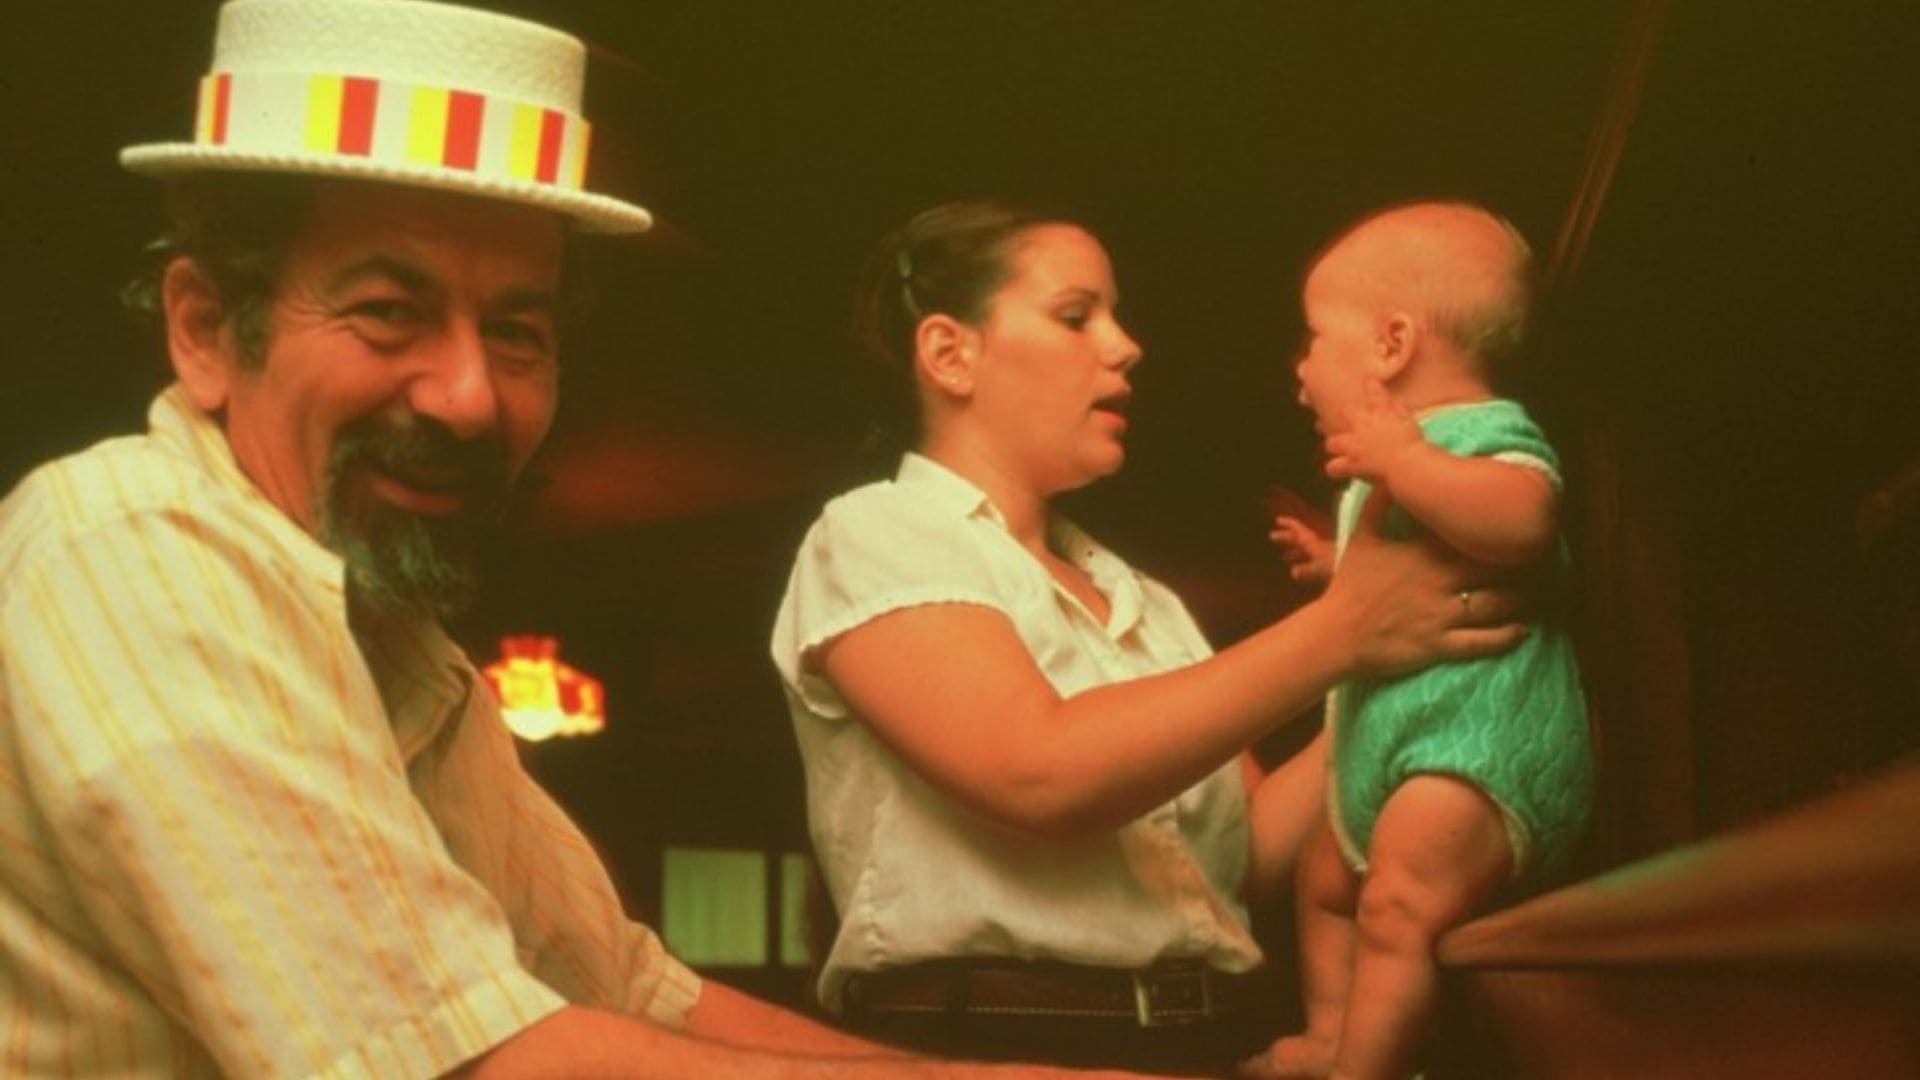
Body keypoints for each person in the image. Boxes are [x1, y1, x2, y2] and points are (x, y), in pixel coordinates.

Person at [0, 2, 1170, 1077]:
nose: (467, 397)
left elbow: (628, 989)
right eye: (388, 311)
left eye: (518, 332)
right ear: (205, 329)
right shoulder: (134, 546)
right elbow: (468, 1061)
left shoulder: (403, 651)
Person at [769, 200, 1529, 1077]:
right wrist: (1344, 630)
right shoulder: (876, 531)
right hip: (997, 1045)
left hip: (1207, 1042)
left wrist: (1417, 661)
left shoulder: (1141, 597)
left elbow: (1250, 851)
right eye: (1075, 315)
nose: (1125, 345)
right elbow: (1036, 772)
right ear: (950, 354)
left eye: (1115, 316)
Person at [1248, 201, 1594, 1080]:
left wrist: (1404, 464)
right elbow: (1415, 571)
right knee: (1323, 882)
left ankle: (1368, 1068)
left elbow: (1523, 520)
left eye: (1314, 338)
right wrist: (1340, 567)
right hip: (1393, 752)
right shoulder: (1403, 454)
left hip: (1472, 756)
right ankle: (1332, 1031)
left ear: (1393, 345)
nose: (1300, 369)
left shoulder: (1481, 431)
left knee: (1396, 904)